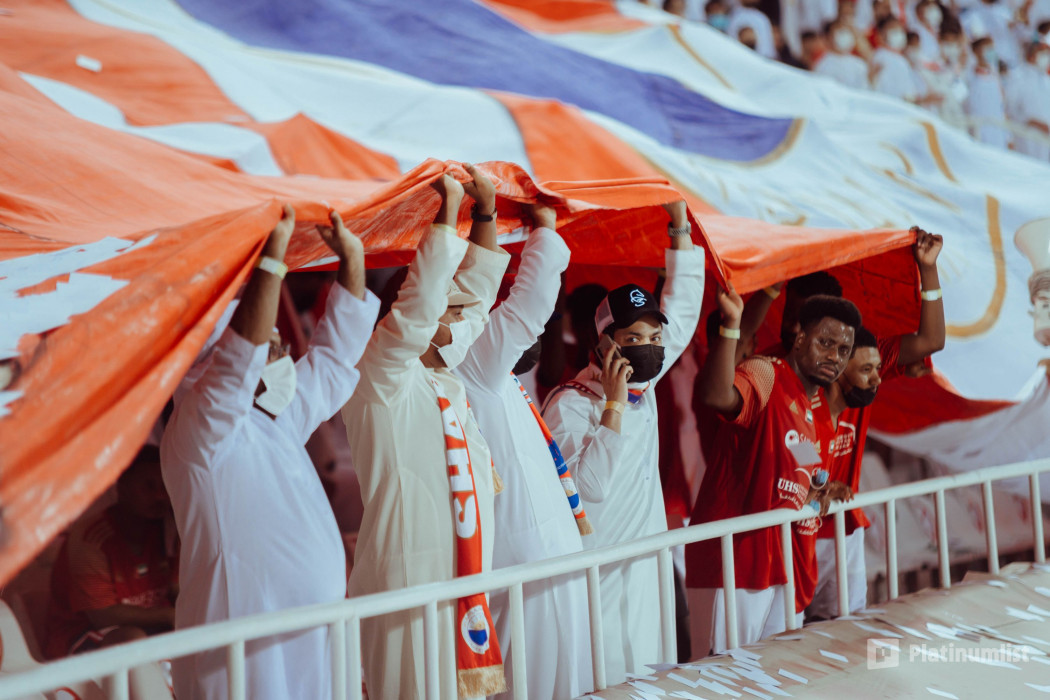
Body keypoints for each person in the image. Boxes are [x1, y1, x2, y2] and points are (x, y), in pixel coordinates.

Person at [161, 204, 377, 699]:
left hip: (311, 634)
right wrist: (271, 261)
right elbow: (235, 366)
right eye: (272, 348)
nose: (284, 357)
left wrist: (352, 261)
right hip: (246, 644)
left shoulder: (275, 418)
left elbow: (333, 361)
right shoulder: (199, 432)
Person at [342, 170, 511, 699]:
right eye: (449, 313)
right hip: (408, 581)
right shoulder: (383, 377)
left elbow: (475, 303)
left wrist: (485, 214)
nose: (463, 324)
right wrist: (448, 210)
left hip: (464, 573)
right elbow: (417, 314)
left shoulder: (445, 383)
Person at [541, 200, 705, 683]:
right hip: (600, 577)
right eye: (634, 338)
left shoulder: (643, 386)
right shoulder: (569, 404)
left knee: (655, 676)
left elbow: (683, 312)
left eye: (654, 337)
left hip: (647, 571)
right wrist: (612, 405)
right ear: (604, 344)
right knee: (607, 681)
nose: (649, 347)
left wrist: (679, 226)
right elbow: (588, 488)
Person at [455, 203, 592, 699]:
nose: (532, 331)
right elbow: (529, 304)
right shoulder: (474, 362)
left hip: (547, 561)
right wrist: (544, 228)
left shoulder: (501, 379)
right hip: (527, 571)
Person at [686, 292, 860, 656]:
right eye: (825, 343)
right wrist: (732, 326)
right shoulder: (766, 372)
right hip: (733, 564)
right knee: (723, 678)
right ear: (799, 338)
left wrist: (821, 490)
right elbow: (716, 396)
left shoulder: (808, 406)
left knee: (772, 676)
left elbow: (803, 473)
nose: (835, 356)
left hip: (778, 567)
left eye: (844, 350)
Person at [808, 230, 945, 618]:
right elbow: (786, 443)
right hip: (791, 531)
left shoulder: (866, 353)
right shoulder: (783, 373)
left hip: (844, 527)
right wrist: (814, 486)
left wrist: (928, 269)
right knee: (783, 644)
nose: (875, 377)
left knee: (846, 637)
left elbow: (931, 340)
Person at [45, 445, 177, 659]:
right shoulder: (91, 538)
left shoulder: (169, 528)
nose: (160, 496)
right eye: (148, 486)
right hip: (82, 634)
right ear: (122, 487)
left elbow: (177, 591)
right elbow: (102, 616)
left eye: (165, 486)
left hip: (152, 627)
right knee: (131, 640)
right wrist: (169, 615)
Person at [1006, 41, 1050, 159]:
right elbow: (1010, 108)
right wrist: (1032, 122)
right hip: (1027, 135)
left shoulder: (1045, 79)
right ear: (1031, 55)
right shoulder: (1018, 76)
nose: (1046, 57)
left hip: (1046, 138)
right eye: (1042, 53)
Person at [967, 37, 1012, 148]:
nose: (991, 51)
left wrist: (1008, 137)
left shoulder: (995, 75)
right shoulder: (969, 75)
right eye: (987, 47)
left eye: (992, 48)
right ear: (976, 51)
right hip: (978, 132)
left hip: (998, 132)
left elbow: (1002, 107)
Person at [872, 16, 921, 101]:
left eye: (900, 29)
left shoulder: (902, 60)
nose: (898, 32)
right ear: (881, 34)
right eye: (893, 29)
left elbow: (909, 91)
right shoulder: (881, 56)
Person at [815, 18, 871, 88]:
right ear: (828, 37)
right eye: (840, 32)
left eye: (845, 31)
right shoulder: (823, 65)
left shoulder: (859, 64)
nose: (844, 35)